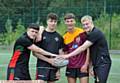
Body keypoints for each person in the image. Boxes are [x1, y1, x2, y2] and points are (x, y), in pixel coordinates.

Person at [59, 15, 112, 83]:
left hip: (102, 62)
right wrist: (90, 66)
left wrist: (67, 56)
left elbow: (83, 48)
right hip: (96, 63)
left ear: (91, 22)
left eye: (87, 24)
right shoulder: (89, 33)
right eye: (83, 25)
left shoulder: (95, 33)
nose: (85, 26)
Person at [34, 13, 64, 83]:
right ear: (47, 21)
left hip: (54, 67)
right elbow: (35, 53)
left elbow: (60, 55)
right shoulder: (40, 35)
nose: (53, 23)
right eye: (51, 21)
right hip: (42, 67)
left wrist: (58, 70)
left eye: (55, 21)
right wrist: (48, 60)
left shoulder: (59, 37)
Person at [63, 13, 89, 83]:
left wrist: (86, 64)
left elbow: (88, 49)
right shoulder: (64, 37)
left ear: (75, 21)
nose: (70, 23)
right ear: (65, 22)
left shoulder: (82, 33)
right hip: (70, 66)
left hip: (82, 66)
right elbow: (65, 52)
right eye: (67, 21)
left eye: (71, 21)